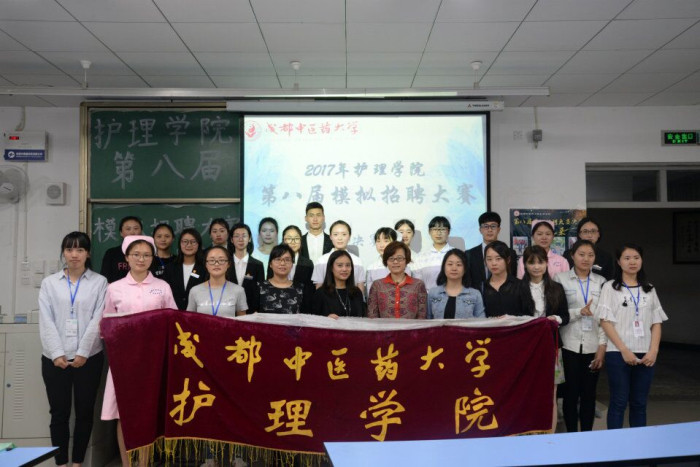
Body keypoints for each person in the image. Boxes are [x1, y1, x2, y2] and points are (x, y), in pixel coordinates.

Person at [101, 235, 177, 467]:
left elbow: (173, 323)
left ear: (153, 258)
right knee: (124, 415)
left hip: (154, 361)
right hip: (124, 362)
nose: (141, 259)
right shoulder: (114, 288)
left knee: (148, 414)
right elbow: (106, 325)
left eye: (146, 255)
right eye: (136, 254)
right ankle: (127, 464)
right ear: (126, 257)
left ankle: (144, 463)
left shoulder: (162, 287)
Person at [39, 232, 108, 467]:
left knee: (84, 412)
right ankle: (61, 463)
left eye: (80, 250)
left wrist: (83, 353)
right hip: (54, 358)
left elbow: (98, 319)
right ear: (63, 253)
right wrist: (57, 353)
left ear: (88, 253)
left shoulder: (100, 282)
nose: (74, 255)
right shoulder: (50, 283)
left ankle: (77, 462)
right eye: (69, 249)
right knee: (59, 413)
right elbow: (46, 321)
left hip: (89, 358)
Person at [597, 243, 668, 429]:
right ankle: (615, 444)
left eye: (636, 258)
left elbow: (656, 322)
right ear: (619, 262)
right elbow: (605, 321)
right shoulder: (610, 287)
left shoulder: (649, 288)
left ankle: (639, 443)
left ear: (642, 260)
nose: (632, 262)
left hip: (646, 354)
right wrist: (624, 350)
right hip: (617, 352)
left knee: (639, 403)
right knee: (619, 401)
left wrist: (653, 351)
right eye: (627, 258)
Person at [554, 240, 607, 432]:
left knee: (589, 394)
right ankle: (571, 435)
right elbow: (556, 312)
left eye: (590, 255)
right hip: (569, 344)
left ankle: (587, 435)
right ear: (572, 256)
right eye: (581, 254)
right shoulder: (560, 279)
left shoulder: (601, 282)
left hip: (593, 345)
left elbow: (605, 318)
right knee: (570, 393)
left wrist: (602, 347)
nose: (586, 259)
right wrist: (579, 312)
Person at [522, 245, 570, 431]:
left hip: (552, 345)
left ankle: (550, 432)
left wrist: (555, 319)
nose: (536, 267)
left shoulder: (557, 288)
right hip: (526, 348)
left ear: (546, 263)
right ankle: (527, 431)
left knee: (551, 392)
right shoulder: (518, 288)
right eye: (531, 262)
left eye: (540, 262)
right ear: (525, 265)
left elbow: (565, 316)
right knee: (527, 390)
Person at [368, 241, 427, 319]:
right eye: (391, 258)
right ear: (386, 261)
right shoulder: (377, 285)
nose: (395, 262)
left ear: (406, 260)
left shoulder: (418, 285)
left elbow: (422, 316)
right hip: (384, 327)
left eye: (399, 258)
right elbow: (372, 317)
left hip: (412, 327)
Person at [187, 246, 247, 317]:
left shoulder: (238, 291)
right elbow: (189, 319)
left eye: (221, 260)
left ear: (228, 264)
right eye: (212, 260)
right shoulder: (195, 291)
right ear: (206, 264)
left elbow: (242, 320)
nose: (216, 264)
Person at [466, 211, 517, 293]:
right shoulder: (469, 254)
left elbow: (512, 278)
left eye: (493, 226)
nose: (489, 230)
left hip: (504, 296)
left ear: (499, 229)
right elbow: (468, 282)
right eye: (485, 226)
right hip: (477, 298)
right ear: (480, 230)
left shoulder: (510, 253)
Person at [427, 249, 484, 319]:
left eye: (459, 265)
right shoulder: (433, 293)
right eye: (450, 264)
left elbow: (481, 321)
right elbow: (427, 320)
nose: (454, 268)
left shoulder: (475, 294)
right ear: (444, 267)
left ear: (465, 269)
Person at [253, 244, 310, 314]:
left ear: (292, 264)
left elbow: (306, 317)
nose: (282, 263)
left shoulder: (301, 289)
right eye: (278, 259)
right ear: (270, 264)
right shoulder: (259, 287)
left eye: (287, 260)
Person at [482, 241, 534, 317]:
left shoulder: (520, 285)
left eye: (498, 259)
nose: (493, 263)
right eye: (489, 259)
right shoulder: (482, 287)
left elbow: (528, 315)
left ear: (508, 260)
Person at [311, 220, 366, 293]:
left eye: (344, 234)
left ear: (349, 236)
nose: (340, 238)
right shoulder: (321, 261)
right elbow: (319, 288)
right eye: (336, 234)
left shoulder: (357, 261)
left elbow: (360, 289)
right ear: (330, 236)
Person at [312, 250, 366, 318]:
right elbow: (313, 320)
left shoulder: (357, 292)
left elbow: (362, 317)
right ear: (331, 268)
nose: (344, 269)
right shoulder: (321, 293)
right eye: (340, 265)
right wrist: (326, 319)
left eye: (348, 265)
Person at [163, 228, 207, 310]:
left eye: (193, 242)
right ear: (180, 244)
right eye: (185, 241)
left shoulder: (205, 268)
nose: (189, 245)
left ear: (199, 244)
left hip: (198, 313)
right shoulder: (170, 268)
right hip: (174, 313)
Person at [227, 223, 265, 314]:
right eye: (237, 236)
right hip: (228, 311)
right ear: (232, 240)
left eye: (244, 236)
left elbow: (260, 291)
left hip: (251, 312)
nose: (240, 239)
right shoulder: (225, 263)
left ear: (249, 238)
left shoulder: (258, 265)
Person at [414, 216, 454, 291]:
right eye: (435, 229)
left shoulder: (457, 254)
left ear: (448, 232)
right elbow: (417, 283)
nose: (438, 233)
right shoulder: (421, 257)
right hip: (428, 296)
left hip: (452, 295)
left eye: (442, 229)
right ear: (429, 232)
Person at [100, 216, 142, 283]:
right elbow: (105, 279)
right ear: (121, 233)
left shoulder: (146, 254)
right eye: (128, 229)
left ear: (141, 232)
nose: (132, 232)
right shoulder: (111, 253)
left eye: (136, 228)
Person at [271, 225, 315, 289]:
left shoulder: (308, 263)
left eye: (296, 238)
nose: (293, 242)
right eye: (289, 239)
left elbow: (310, 288)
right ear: (283, 240)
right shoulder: (275, 260)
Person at [365, 227, 399, 295]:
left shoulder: (404, 265)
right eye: (378, 241)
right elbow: (370, 295)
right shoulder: (371, 268)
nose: (381, 245)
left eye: (386, 241)